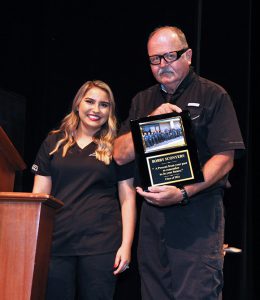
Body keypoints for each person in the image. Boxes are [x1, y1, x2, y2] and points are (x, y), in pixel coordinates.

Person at [113, 26, 245, 299]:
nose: (162, 64)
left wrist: (184, 191)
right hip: (152, 220)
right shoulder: (143, 100)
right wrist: (149, 122)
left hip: (198, 216)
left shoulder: (213, 95)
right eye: (155, 59)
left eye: (170, 56)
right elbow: (119, 154)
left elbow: (225, 158)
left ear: (188, 55)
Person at [31, 80, 136, 300]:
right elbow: (38, 198)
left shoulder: (117, 147)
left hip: (101, 245)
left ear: (110, 111)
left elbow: (127, 198)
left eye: (104, 104)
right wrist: (33, 244)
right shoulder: (53, 142)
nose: (96, 110)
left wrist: (126, 246)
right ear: (78, 103)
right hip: (56, 244)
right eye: (90, 101)